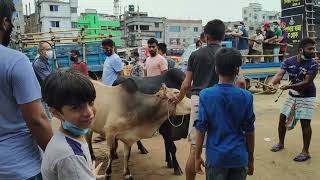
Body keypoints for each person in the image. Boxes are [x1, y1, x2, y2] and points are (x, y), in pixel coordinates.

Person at [0, 1, 53, 179]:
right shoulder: (14, 61)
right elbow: (37, 120)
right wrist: (58, 160)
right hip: (18, 167)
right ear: (5, 22)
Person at [173, 19, 225, 180]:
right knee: (218, 145)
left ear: (206, 36)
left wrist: (178, 99)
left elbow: (186, 84)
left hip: (198, 101)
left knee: (194, 149)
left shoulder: (196, 55)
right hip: (221, 101)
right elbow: (239, 81)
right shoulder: (227, 55)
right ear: (222, 36)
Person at [194, 48, 255, 180]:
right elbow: (249, 131)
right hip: (239, 157)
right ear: (237, 70)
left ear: (216, 69)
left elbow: (201, 128)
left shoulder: (205, 95)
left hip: (216, 158)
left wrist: (197, 156)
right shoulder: (246, 96)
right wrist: (251, 159)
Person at [41, 70, 105, 180]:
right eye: (76, 107)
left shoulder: (68, 138)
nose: (89, 112)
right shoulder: (70, 156)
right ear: (56, 112)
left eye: (90, 103)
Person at [269, 38, 318, 162]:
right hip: (293, 94)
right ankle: (280, 143)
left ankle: (305, 152)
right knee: (282, 118)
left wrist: (288, 86)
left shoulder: (313, 64)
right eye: (310, 49)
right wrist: (271, 82)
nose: (313, 51)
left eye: (313, 48)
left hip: (307, 95)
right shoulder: (288, 61)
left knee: (305, 123)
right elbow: (279, 74)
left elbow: (306, 82)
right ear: (301, 50)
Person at [33, 41, 54, 120]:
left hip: (47, 95)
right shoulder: (39, 63)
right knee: (48, 119)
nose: (50, 51)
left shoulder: (45, 61)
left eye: (50, 49)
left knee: (50, 117)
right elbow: (49, 79)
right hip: (43, 96)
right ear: (41, 51)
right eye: (48, 49)